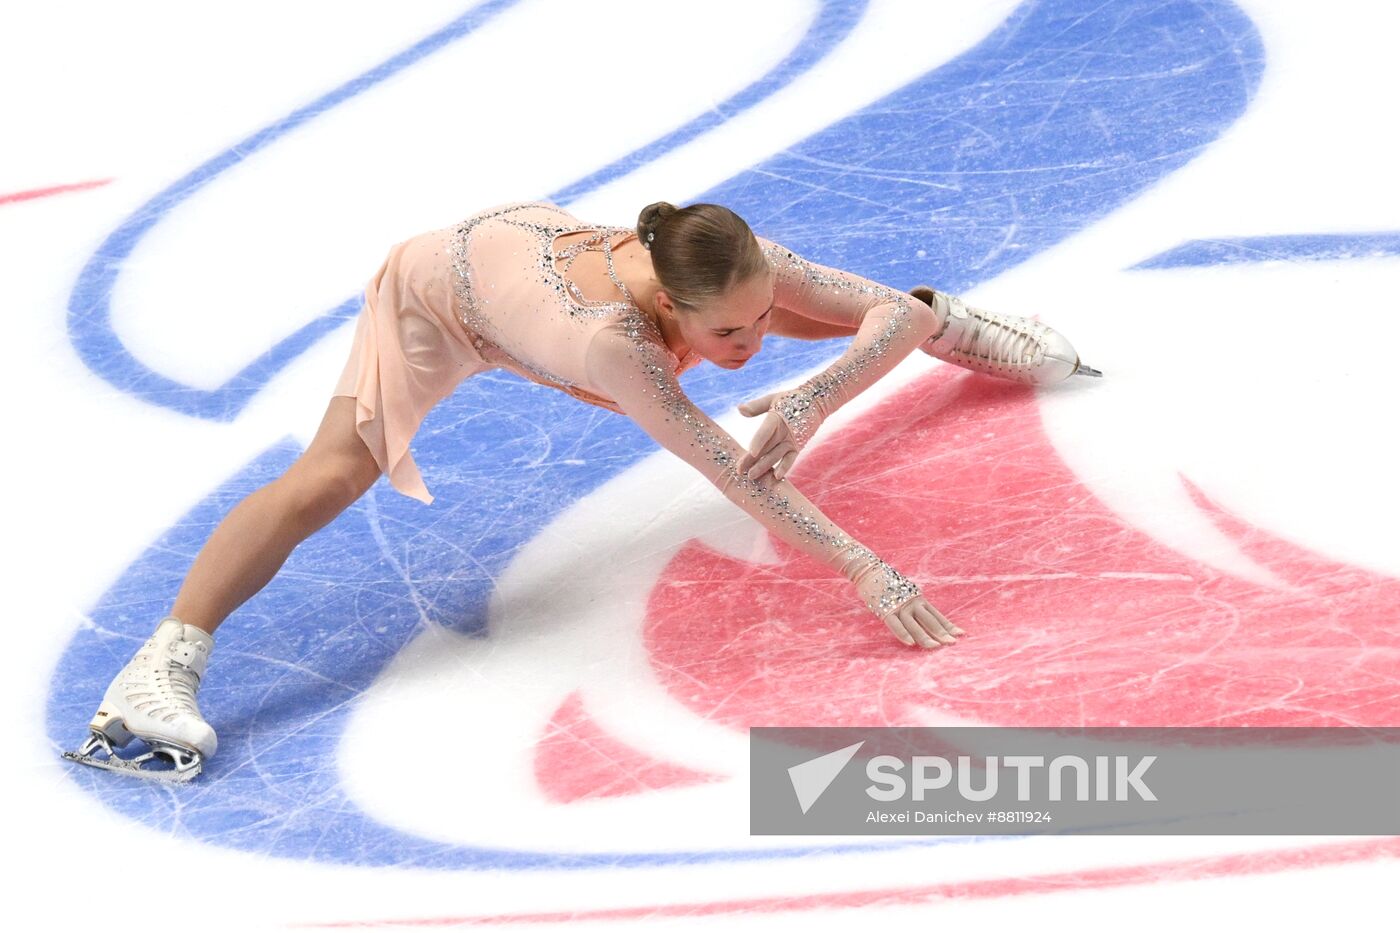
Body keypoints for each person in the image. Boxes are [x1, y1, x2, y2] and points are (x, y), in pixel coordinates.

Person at [63, 199, 1101, 782]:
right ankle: (157, 670)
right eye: (725, 334)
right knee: (335, 473)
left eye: (752, 320)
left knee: (855, 310)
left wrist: (818, 393)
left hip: (524, 248)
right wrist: (860, 565)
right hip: (439, 293)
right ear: (666, 303)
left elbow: (880, 323)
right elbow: (728, 468)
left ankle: (962, 322)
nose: (744, 351)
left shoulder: (732, 267)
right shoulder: (617, 349)